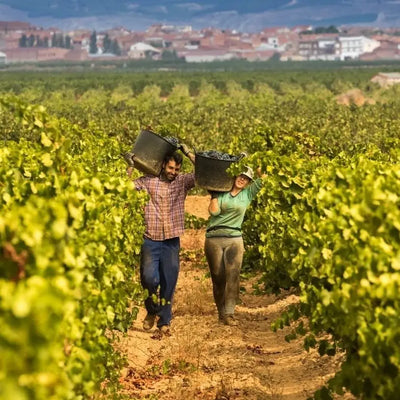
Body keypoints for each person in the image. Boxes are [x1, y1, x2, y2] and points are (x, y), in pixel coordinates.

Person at [126, 144, 195, 335]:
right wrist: (130, 165)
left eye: (177, 169)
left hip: (171, 240)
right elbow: (125, 187)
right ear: (164, 164)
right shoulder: (148, 181)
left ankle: (164, 322)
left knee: (168, 281)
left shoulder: (182, 182)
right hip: (151, 239)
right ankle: (151, 309)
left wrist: (188, 152)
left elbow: (203, 174)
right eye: (171, 168)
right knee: (149, 278)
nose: (173, 172)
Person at [204, 166, 264, 326]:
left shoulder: (247, 194)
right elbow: (214, 212)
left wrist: (258, 167)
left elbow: (265, 179)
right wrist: (214, 197)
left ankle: (230, 312)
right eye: (240, 175)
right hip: (214, 238)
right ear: (234, 177)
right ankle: (221, 312)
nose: (242, 179)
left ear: (248, 182)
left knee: (233, 276)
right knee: (218, 277)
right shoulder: (221, 192)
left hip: (234, 239)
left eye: (246, 178)